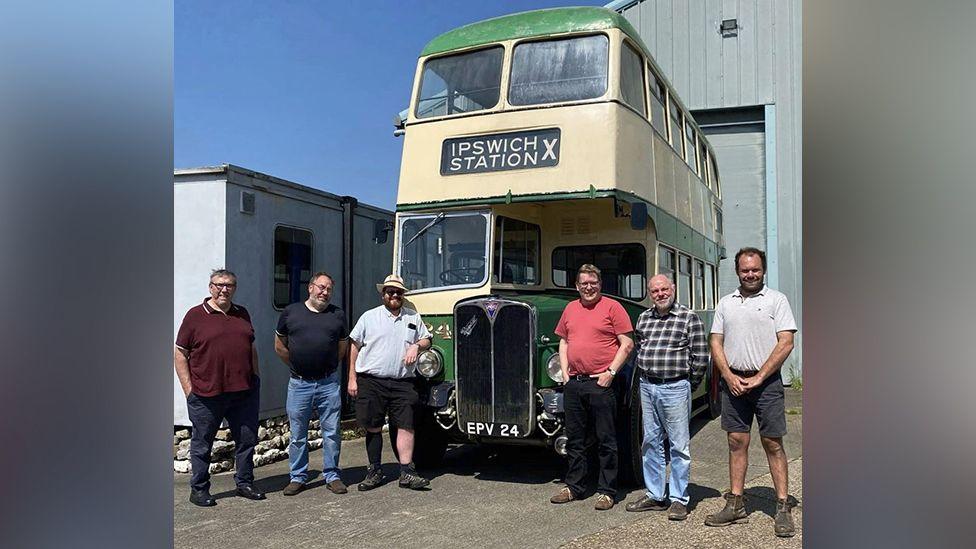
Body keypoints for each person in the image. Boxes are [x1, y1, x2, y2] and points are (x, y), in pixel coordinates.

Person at [704, 247, 798, 537]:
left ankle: (782, 506)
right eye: (745, 270)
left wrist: (759, 377)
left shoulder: (776, 300)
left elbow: (786, 342)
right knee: (736, 441)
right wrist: (729, 375)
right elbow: (715, 342)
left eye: (755, 269)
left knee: (772, 442)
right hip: (734, 383)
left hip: (766, 384)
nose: (750, 274)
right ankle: (736, 504)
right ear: (737, 271)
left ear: (763, 270)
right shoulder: (726, 304)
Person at [174, 269, 265, 506]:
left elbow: (250, 347)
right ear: (210, 287)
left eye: (229, 285)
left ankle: (244, 483)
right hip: (206, 394)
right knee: (202, 444)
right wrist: (189, 390)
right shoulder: (195, 316)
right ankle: (199, 490)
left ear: (234, 288)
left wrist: (256, 378)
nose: (224, 289)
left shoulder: (242, 314)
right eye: (219, 285)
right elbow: (180, 353)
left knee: (246, 441)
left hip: (243, 392)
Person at [549, 264, 635, 511]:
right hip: (574, 384)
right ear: (577, 286)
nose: (588, 287)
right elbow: (564, 342)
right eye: (584, 283)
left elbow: (627, 344)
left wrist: (610, 373)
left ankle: (607, 491)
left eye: (593, 283)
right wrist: (565, 375)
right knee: (576, 439)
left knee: (606, 439)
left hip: (601, 383)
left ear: (600, 284)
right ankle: (574, 486)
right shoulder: (570, 308)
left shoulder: (613, 307)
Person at [625, 274, 708, 520]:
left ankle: (679, 499)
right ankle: (655, 495)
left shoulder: (687, 317)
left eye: (664, 289)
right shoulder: (644, 318)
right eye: (655, 291)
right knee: (650, 441)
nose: (660, 294)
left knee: (678, 445)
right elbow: (641, 348)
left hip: (675, 387)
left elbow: (701, 357)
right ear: (650, 294)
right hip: (647, 386)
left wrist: (686, 384)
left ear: (672, 289)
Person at [347, 274, 433, 491]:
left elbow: (427, 338)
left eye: (398, 292)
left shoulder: (413, 317)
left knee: (406, 426)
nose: (394, 295)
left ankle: (407, 472)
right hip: (372, 381)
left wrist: (417, 346)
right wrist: (352, 378)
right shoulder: (369, 317)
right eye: (390, 291)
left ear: (403, 295)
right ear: (383, 294)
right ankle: (374, 472)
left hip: (403, 382)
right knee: (373, 426)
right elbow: (354, 346)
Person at [274, 272, 349, 496]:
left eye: (329, 289)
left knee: (332, 432)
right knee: (297, 434)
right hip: (299, 384)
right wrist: (298, 365)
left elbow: (342, 348)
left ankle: (332, 475)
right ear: (310, 287)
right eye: (321, 287)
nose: (324, 292)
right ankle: (297, 477)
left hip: (328, 383)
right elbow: (280, 347)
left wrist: (326, 366)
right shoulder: (291, 312)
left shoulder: (338, 315)